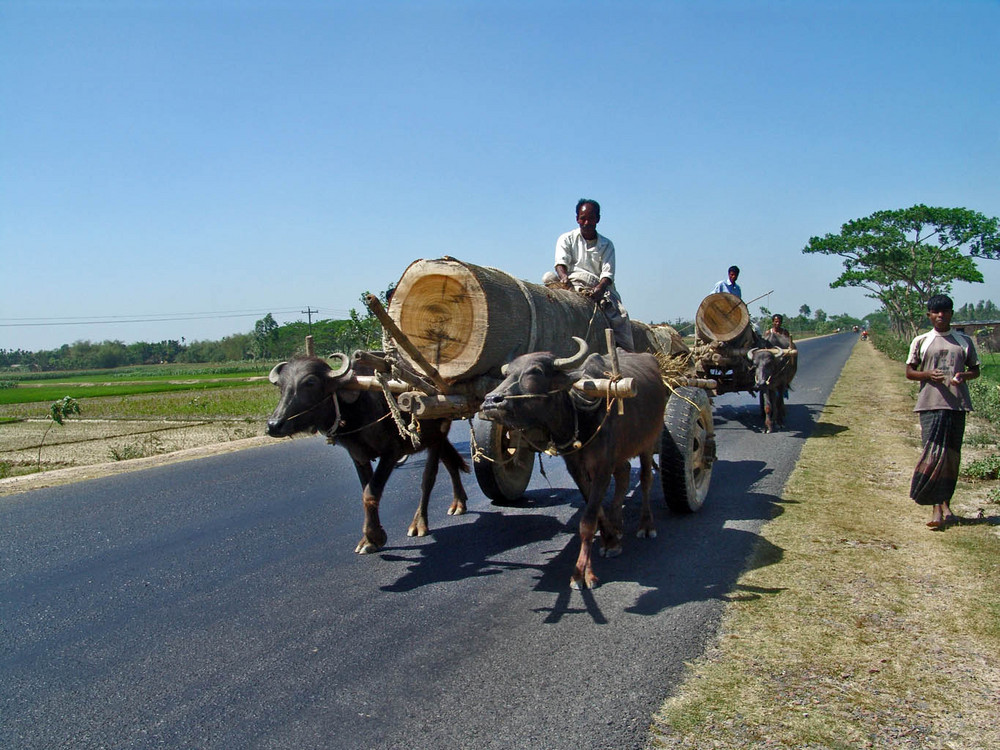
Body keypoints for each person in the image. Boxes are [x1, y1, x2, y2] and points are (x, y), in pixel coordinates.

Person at [905, 294, 980, 529]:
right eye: (936, 312)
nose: (940, 315)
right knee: (932, 455)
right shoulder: (921, 340)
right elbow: (909, 371)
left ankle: (946, 504)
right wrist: (927, 375)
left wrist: (963, 376)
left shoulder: (963, 340)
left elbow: (975, 370)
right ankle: (935, 508)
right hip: (930, 405)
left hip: (957, 405)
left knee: (951, 456)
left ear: (951, 313)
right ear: (929, 316)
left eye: (945, 311)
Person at [543, 198, 634, 351]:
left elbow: (607, 273)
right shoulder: (566, 239)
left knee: (621, 317)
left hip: (597, 286)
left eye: (591, 218)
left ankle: (627, 352)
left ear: (597, 219)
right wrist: (564, 278)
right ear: (577, 218)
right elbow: (560, 263)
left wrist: (599, 289)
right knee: (547, 278)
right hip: (571, 283)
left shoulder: (606, 245)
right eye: (583, 218)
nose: (586, 222)